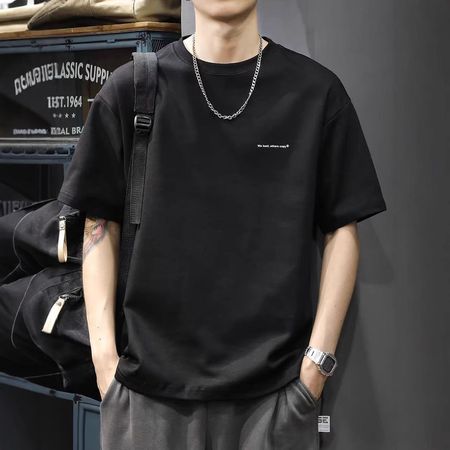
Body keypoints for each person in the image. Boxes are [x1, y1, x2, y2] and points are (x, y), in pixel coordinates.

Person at [57, 1, 387, 448]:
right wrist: (104, 362)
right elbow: (99, 222)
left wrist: (317, 366)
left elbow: (343, 229)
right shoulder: (130, 91)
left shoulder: (315, 93)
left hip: (275, 399)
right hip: (146, 398)